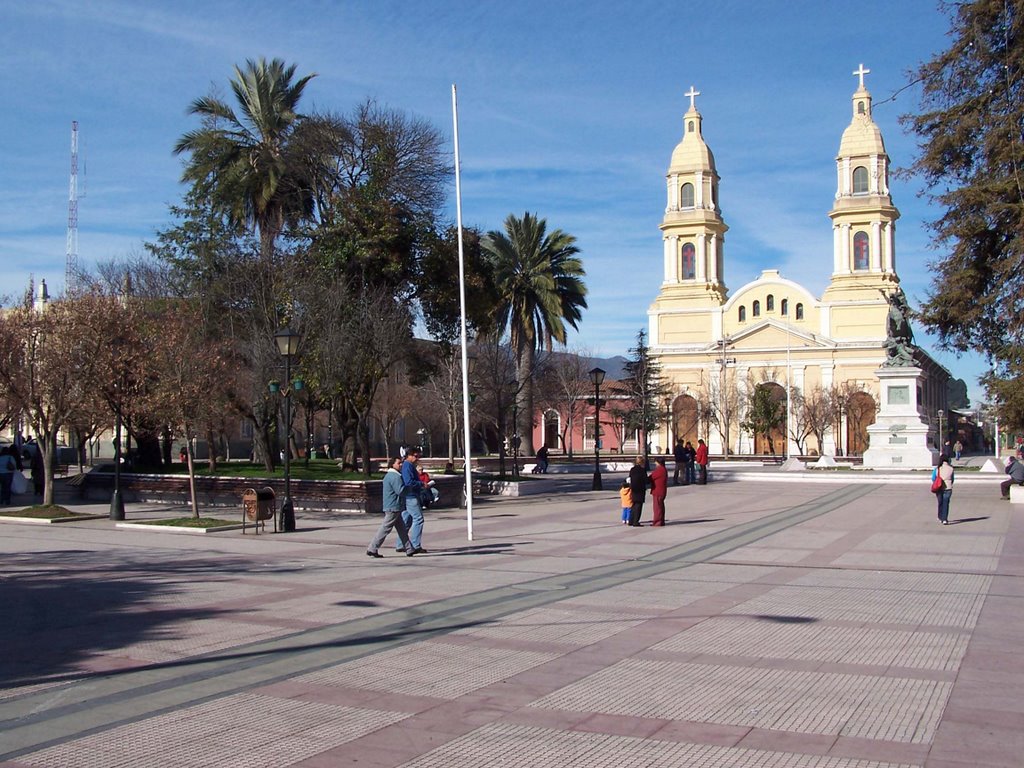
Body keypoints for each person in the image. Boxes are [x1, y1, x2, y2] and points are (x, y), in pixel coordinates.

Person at [367, 457, 416, 558]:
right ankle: (372, 548)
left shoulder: (389, 475)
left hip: (393, 506)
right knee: (385, 528)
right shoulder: (395, 476)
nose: (401, 465)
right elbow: (400, 491)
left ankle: (409, 548)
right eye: (399, 463)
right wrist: (410, 488)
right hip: (393, 506)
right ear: (392, 464)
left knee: (402, 529)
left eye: (401, 463)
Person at [396, 447, 427, 553]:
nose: (417, 458)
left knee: (406, 520)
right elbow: (408, 482)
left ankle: (401, 544)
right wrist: (421, 483)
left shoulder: (408, 465)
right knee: (418, 519)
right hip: (411, 495)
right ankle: (415, 544)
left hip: (408, 495)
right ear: (409, 455)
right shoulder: (407, 466)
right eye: (415, 456)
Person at [933, 453, 955, 525]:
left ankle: (940, 517)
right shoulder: (951, 469)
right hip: (948, 488)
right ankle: (945, 519)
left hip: (939, 487)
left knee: (940, 502)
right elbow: (952, 479)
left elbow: (933, 478)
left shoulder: (937, 469)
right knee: (946, 503)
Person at [627, 455, 649, 527]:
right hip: (640, 489)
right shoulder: (642, 470)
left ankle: (631, 520)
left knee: (634, 505)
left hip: (633, 488)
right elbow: (646, 480)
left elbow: (630, 478)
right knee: (638, 505)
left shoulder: (632, 469)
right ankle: (635, 521)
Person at [649, 457, 668, 526]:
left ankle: (657, 521)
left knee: (657, 507)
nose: (655, 463)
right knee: (660, 506)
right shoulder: (664, 469)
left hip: (658, 490)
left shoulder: (660, 470)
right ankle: (661, 520)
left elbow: (652, 477)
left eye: (656, 462)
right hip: (661, 490)